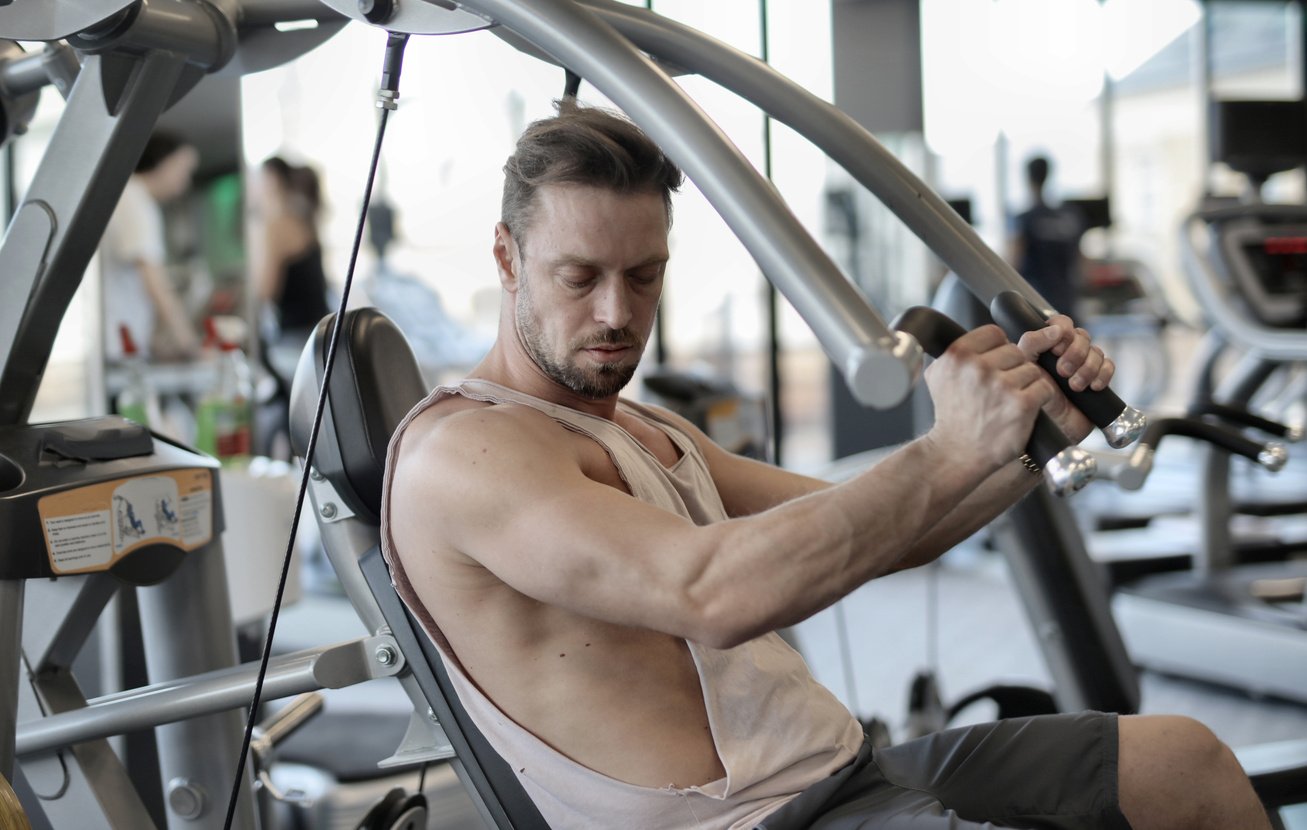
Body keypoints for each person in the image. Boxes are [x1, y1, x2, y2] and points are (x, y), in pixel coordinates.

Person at [381, 103, 1270, 829]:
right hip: (746, 824)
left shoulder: (642, 429)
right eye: (579, 278)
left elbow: (886, 532)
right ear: (505, 257)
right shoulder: (464, 452)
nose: (618, 311)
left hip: (840, 773)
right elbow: (712, 594)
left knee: (1180, 763)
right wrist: (946, 447)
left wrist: (1031, 434)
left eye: (644, 275)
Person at [101, 131, 201, 363]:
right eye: (183, 169)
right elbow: (153, 280)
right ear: (163, 162)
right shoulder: (135, 199)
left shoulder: (128, 195)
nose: (185, 181)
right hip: (119, 346)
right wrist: (189, 344)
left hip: (120, 341)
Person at [248, 155, 331, 369]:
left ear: (272, 181)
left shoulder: (277, 224)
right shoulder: (301, 216)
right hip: (318, 327)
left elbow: (266, 290)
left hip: (297, 337)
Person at [1009, 155, 1087, 320]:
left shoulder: (1024, 219)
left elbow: (1012, 264)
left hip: (1035, 305)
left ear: (1028, 179)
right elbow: (1083, 268)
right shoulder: (1071, 216)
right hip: (1067, 302)